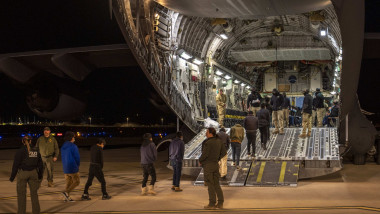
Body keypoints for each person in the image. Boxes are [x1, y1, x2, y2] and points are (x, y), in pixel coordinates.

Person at [10, 135, 43, 214]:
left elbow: (16, 164)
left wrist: (12, 177)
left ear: (23, 141)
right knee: (34, 194)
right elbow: (40, 164)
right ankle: (36, 212)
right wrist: (40, 175)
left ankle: (21, 212)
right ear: (31, 141)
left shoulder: (20, 151)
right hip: (34, 173)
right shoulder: (36, 150)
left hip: (23, 173)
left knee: (21, 195)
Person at [199, 127, 227, 209]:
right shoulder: (219, 141)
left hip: (208, 165)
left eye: (207, 132)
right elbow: (224, 152)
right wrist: (217, 158)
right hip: (215, 165)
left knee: (210, 185)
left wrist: (200, 160)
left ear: (210, 133)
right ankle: (220, 203)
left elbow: (205, 154)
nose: (205, 133)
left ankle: (212, 204)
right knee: (216, 184)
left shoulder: (208, 143)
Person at [61, 131, 80, 202]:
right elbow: (77, 157)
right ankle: (66, 193)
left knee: (68, 183)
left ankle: (66, 197)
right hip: (72, 167)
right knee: (77, 182)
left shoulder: (63, 146)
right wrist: (77, 166)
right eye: (74, 137)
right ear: (71, 138)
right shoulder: (73, 146)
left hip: (65, 168)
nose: (74, 138)